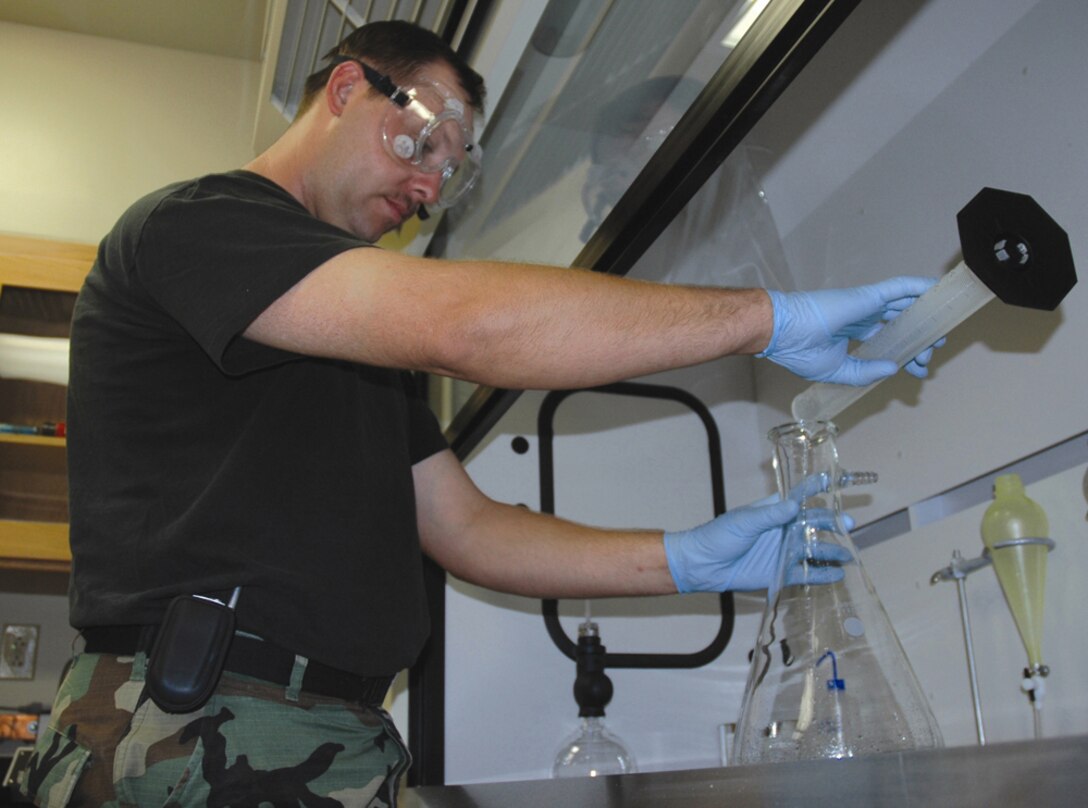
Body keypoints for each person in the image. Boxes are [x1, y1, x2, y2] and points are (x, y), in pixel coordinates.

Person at [19, 20, 939, 808]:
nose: (426, 190)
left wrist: (686, 559)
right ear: (346, 87)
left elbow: (468, 527)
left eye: (449, 176)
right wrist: (764, 320)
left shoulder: (356, 346)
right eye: (420, 146)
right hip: (189, 726)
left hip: (340, 736)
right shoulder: (196, 224)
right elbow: (469, 323)